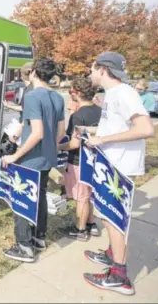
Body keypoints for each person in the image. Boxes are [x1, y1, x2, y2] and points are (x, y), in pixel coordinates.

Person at [76, 52, 154, 295]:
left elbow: (145, 128)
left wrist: (103, 139)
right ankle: (112, 254)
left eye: (92, 67)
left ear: (103, 69)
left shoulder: (123, 93)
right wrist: (90, 131)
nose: (89, 71)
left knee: (113, 219)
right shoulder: (111, 94)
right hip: (111, 164)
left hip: (119, 168)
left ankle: (120, 276)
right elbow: (115, 127)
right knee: (109, 216)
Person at [0, 58, 66, 262]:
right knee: (41, 196)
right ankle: (39, 238)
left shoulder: (32, 97)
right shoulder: (58, 97)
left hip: (31, 160)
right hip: (47, 158)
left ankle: (24, 247)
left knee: (22, 200)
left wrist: (15, 156)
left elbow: (36, 133)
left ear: (34, 72)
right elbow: (61, 131)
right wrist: (50, 147)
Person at [58, 75, 101, 241]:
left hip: (79, 162)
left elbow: (74, 144)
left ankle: (80, 229)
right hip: (96, 160)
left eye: (70, 91)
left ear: (78, 94)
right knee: (89, 195)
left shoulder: (78, 116)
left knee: (81, 198)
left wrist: (58, 147)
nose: (70, 95)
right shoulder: (100, 111)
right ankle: (92, 224)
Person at [3, 61, 34, 143]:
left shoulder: (29, 91)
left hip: (27, 128)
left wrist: (16, 135)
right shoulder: (30, 89)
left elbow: (25, 111)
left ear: (22, 75)